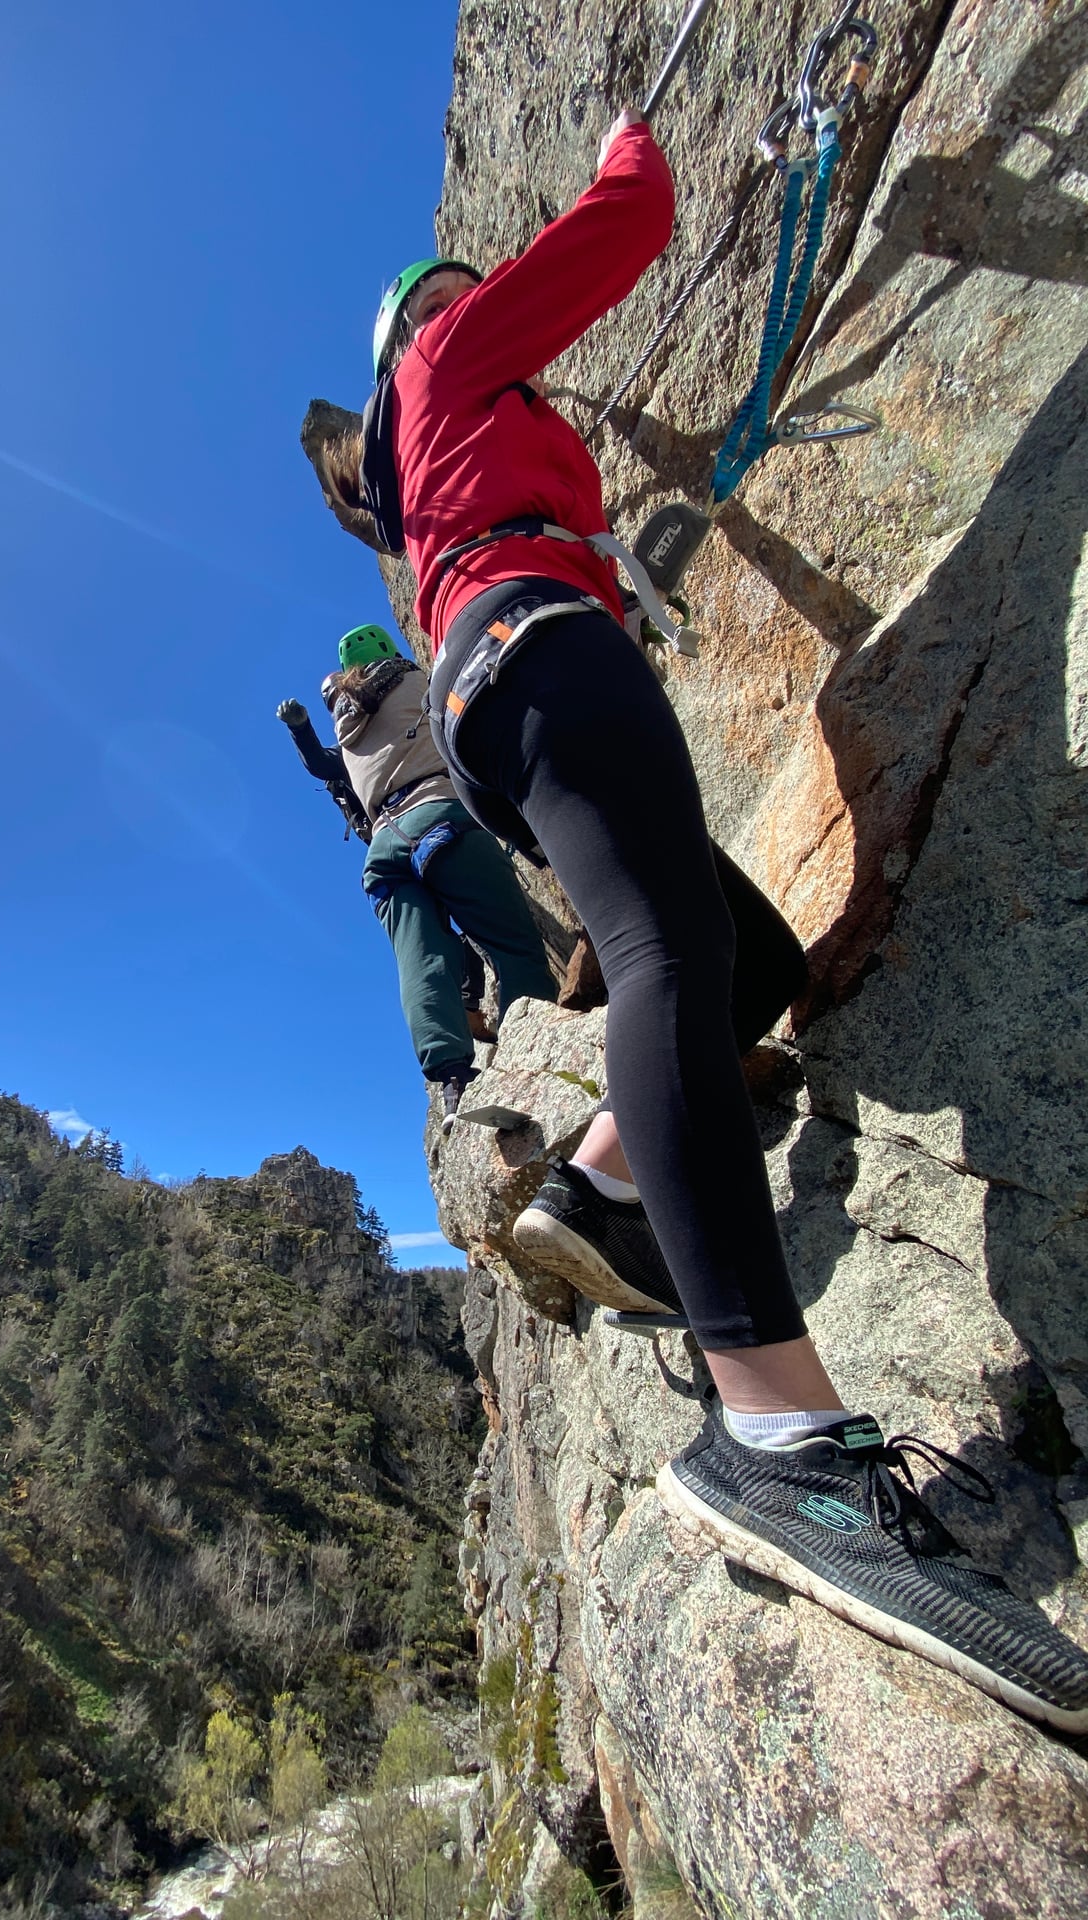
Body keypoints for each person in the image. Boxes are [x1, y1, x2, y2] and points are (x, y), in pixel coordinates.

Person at [325, 111, 1088, 1729]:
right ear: (425, 326)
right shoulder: (449, 366)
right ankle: (778, 1440)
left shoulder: (441, 494)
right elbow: (626, 228)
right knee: (671, 956)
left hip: (516, 677)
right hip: (544, 655)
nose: (480, 301)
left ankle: (605, 1195)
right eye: (457, 293)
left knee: (747, 960)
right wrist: (629, 147)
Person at [284, 622, 557, 1131]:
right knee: (513, 946)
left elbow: (323, 767)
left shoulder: (347, 727)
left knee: (422, 963)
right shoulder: (423, 683)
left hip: (385, 853)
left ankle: (452, 1080)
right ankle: (534, 1054)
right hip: (440, 817)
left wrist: (300, 729)